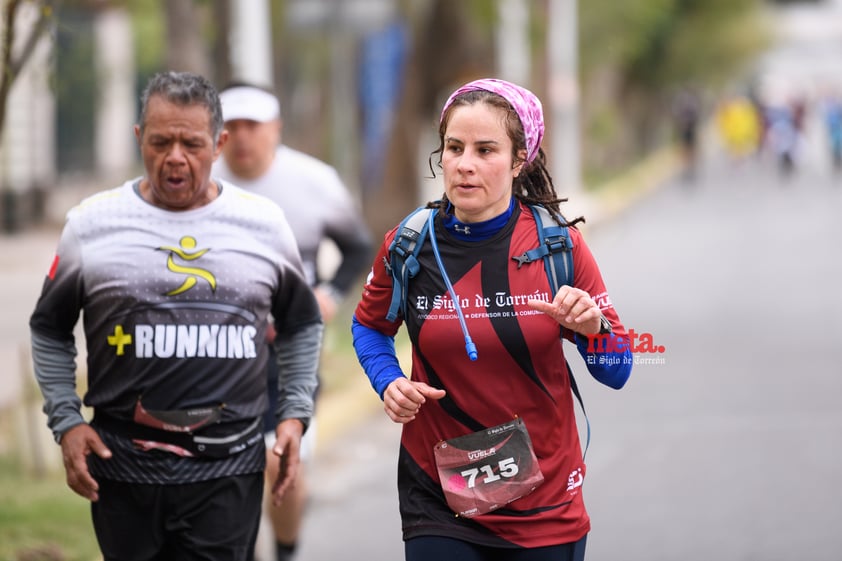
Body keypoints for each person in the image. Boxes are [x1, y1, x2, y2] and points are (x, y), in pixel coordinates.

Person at [29, 71, 323, 561]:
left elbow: (300, 323)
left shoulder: (263, 224)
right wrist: (65, 420)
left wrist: (294, 413)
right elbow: (48, 327)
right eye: (161, 141)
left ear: (220, 144)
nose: (175, 158)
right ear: (139, 138)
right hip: (122, 467)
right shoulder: (91, 225)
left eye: (192, 143)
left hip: (228, 468)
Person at [351, 78, 634, 561]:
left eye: (486, 150)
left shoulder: (557, 247)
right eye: (454, 148)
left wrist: (595, 332)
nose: (464, 165)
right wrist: (389, 381)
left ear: (519, 159)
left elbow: (618, 370)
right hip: (439, 493)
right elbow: (370, 326)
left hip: (545, 499)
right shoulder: (409, 244)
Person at [213, 83, 373, 561]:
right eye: (232, 127)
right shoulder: (200, 178)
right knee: (228, 469)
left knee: (283, 460)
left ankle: (285, 550)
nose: (242, 138)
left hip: (288, 346)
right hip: (217, 349)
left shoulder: (313, 180)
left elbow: (358, 248)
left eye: (252, 127)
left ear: (275, 129)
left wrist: (329, 294)